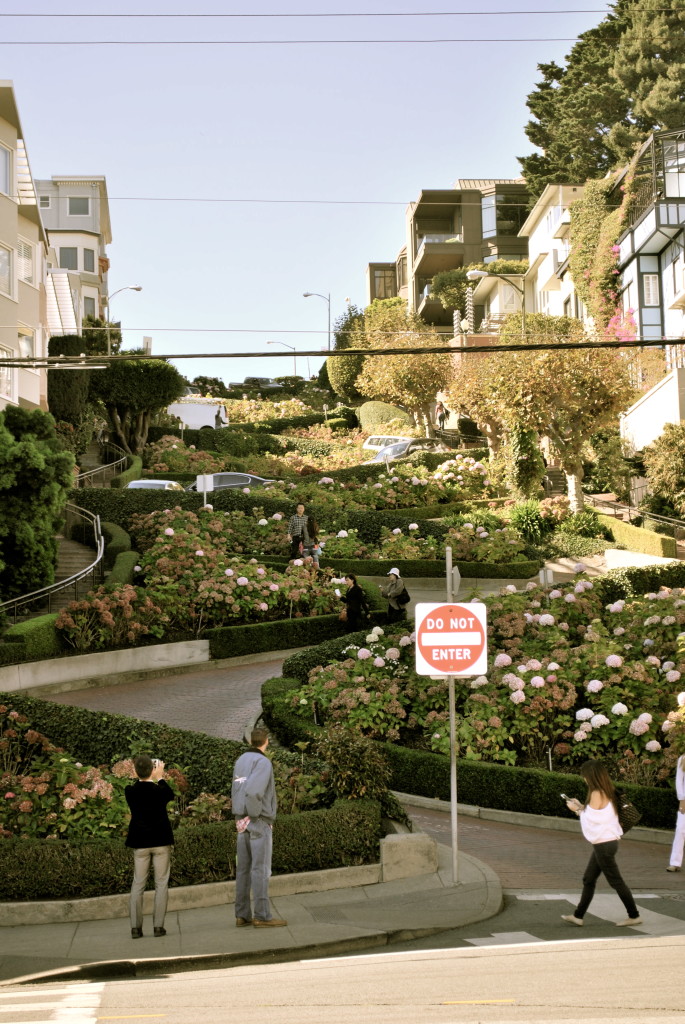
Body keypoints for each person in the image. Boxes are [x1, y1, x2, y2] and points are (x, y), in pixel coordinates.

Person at [562, 759, 642, 928]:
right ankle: (578, 916)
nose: (584, 779)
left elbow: (591, 818)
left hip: (604, 845)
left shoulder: (597, 793)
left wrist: (576, 810)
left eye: (584, 776)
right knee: (589, 879)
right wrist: (580, 806)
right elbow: (597, 815)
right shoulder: (607, 790)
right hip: (607, 843)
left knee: (616, 881)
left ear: (590, 777)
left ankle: (634, 915)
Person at [232, 728, 287, 928]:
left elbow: (240, 788)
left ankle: (242, 914)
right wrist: (255, 815)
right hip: (258, 821)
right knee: (261, 870)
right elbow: (254, 791)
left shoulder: (241, 760)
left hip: (241, 822)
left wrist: (244, 815)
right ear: (266, 742)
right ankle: (262, 916)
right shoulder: (263, 762)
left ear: (250, 740)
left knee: (243, 870)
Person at [125, 754, 175, 939]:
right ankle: (158, 927)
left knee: (138, 883)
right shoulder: (160, 791)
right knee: (161, 884)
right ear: (153, 769)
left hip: (140, 842)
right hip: (161, 841)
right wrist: (160, 776)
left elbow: (139, 787)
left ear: (135, 771)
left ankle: (135, 928)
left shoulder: (130, 791)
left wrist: (147, 775)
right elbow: (170, 794)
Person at [667, 753, 685, 872]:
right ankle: (675, 862)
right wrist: (682, 800)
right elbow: (679, 781)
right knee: (680, 829)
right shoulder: (683, 759)